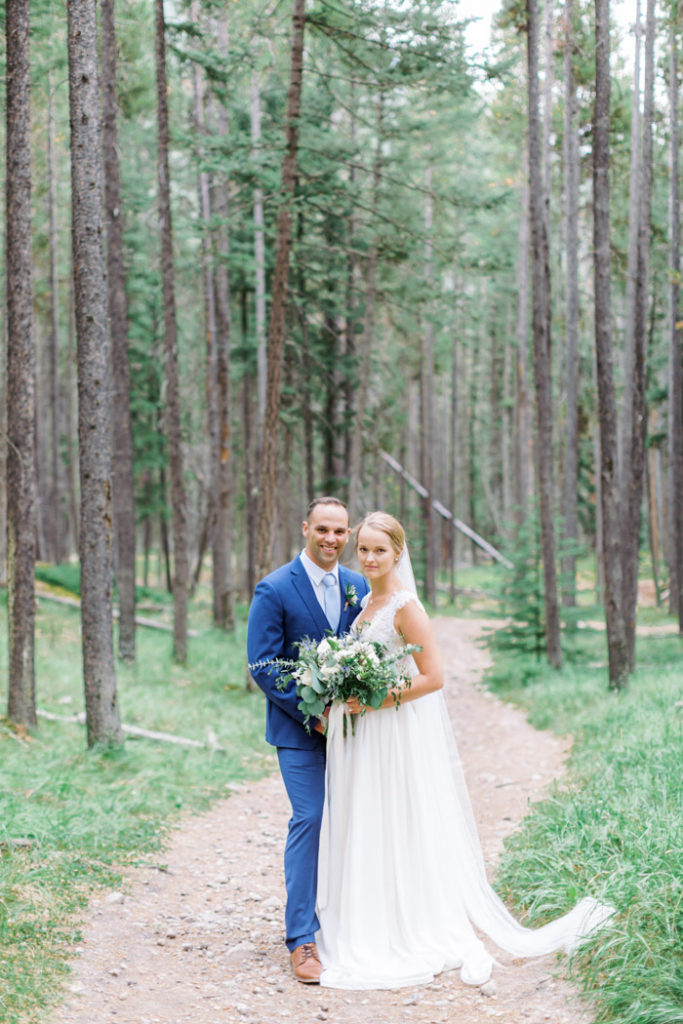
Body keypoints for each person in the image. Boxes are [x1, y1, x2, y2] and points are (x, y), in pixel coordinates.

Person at [315, 510, 613, 991]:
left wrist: (373, 699)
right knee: (372, 818)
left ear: (398, 552)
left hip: (390, 729)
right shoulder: (368, 601)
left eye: (379, 550)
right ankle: (371, 913)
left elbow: (434, 677)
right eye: (364, 549)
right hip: (367, 734)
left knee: (396, 817)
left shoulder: (404, 606)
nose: (369, 558)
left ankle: (404, 923)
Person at [247, 496, 369, 984]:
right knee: (311, 818)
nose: (331, 540)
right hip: (300, 733)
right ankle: (301, 939)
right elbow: (263, 664)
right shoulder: (274, 588)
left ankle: (350, 924)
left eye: (340, 532)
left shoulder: (358, 586)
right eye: (322, 529)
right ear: (305, 529)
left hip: (355, 734)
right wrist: (313, 715)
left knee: (355, 822)